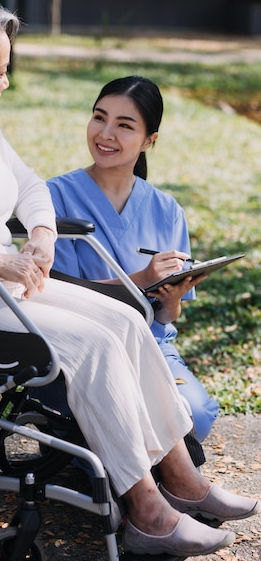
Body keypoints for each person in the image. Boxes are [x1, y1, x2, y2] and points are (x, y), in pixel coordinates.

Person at [0, 0, 259, 558]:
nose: (6, 81)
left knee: (127, 320)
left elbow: (32, 189)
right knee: (93, 344)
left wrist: (41, 235)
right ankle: (147, 513)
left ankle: (185, 480)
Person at [47, 76, 219, 444]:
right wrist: (140, 279)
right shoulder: (55, 196)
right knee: (138, 420)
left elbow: (167, 318)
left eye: (124, 126)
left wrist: (170, 299)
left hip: (153, 348)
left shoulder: (166, 209)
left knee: (196, 416)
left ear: (148, 141)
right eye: (99, 117)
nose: (105, 133)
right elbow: (57, 294)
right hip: (88, 346)